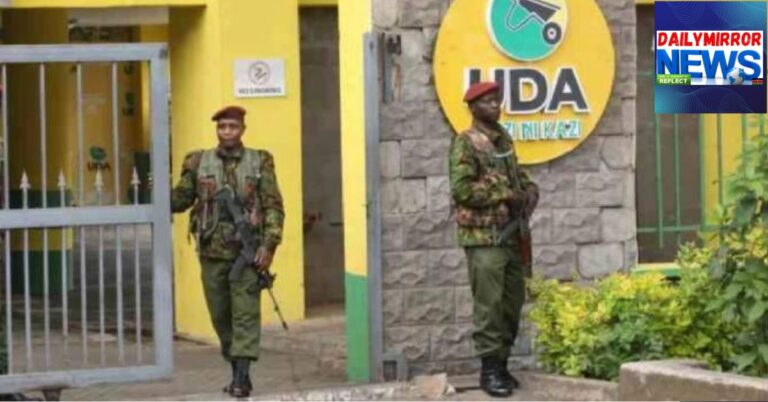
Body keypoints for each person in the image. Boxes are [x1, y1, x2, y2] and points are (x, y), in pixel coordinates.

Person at [171, 106, 285, 398]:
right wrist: (155, 192)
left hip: (247, 255)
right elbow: (181, 199)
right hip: (212, 252)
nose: (227, 132)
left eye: (233, 126)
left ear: (242, 129)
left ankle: (242, 378)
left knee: (245, 315)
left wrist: (269, 245)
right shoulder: (198, 161)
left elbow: (273, 206)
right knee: (221, 316)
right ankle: (234, 369)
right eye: (222, 127)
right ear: (217, 130)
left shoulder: (260, 161)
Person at [448, 82, 539, 398]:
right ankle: (489, 371)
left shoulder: (504, 139)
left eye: (497, 100)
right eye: (487, 102)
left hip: (514, 236)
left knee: (512, 304)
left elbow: (516, 175)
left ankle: (502, 365)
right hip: (485, 239)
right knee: (490, 306)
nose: (495, 106)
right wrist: (506, 195)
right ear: (473, 108)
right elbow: (461, 190)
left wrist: (528, 190)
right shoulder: (466, 143)